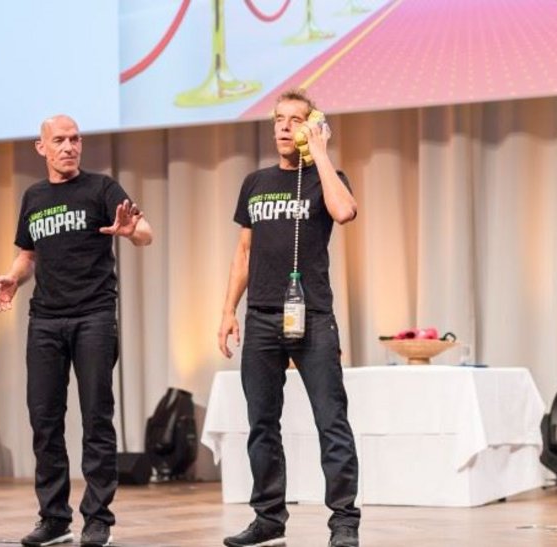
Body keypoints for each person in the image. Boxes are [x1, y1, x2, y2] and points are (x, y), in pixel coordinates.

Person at [0, 114, 152, 547]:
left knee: (97, 418)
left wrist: (131, 231)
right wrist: (12, 278)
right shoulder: (34, 196)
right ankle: (54, 518)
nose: (69, 146)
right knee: (44, 420)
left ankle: (97, 519)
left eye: (75, 139)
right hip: (45, 320)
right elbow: (28, 255)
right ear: (41, 147)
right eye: (60, 140)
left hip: (93, 316)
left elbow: (145, 232)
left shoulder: (102, 188)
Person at [217, 89, 360, 547]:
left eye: (296, 119)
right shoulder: (255, 183)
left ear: (312, 126)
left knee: (331, 422)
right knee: (261, 425)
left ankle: (343, 522)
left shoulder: (327, 179)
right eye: (279, 118)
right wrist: (228, 310)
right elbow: (243, 252)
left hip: (312, 316)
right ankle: (268, 520)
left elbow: (345, 212)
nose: (284, 126)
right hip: (261, 317)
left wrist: (320, 153)